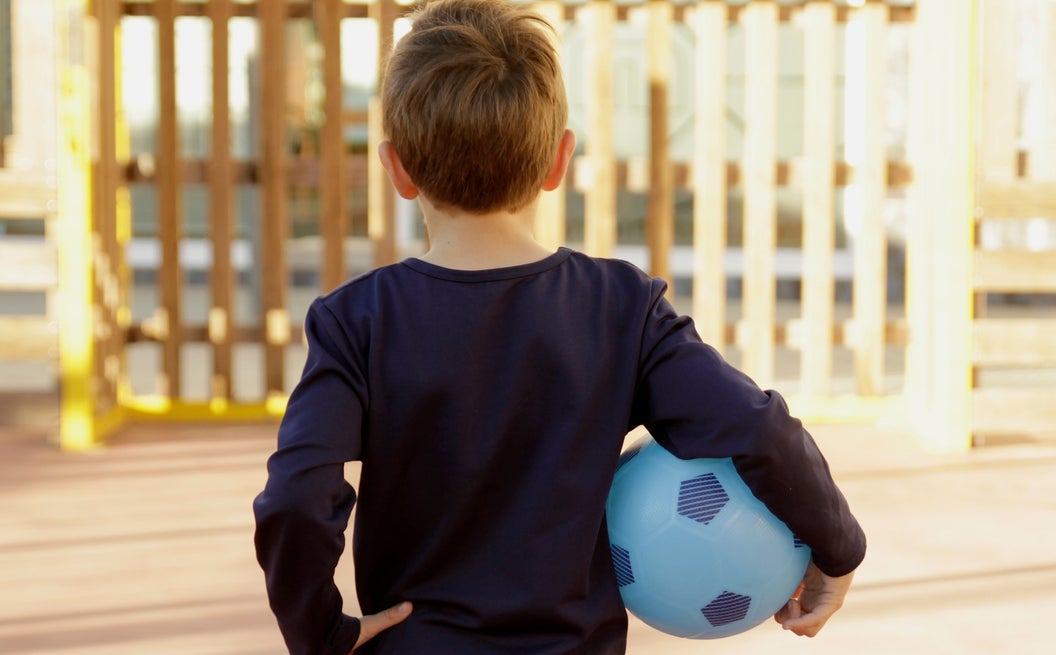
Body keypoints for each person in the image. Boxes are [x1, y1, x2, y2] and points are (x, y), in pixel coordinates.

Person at [252, 0, 865, 652]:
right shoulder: (621, 307)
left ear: (397, 167)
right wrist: (839, 547)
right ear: (558, 161)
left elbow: (296, 496)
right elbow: (756, 426)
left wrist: (318, 631)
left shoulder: (357, 321)